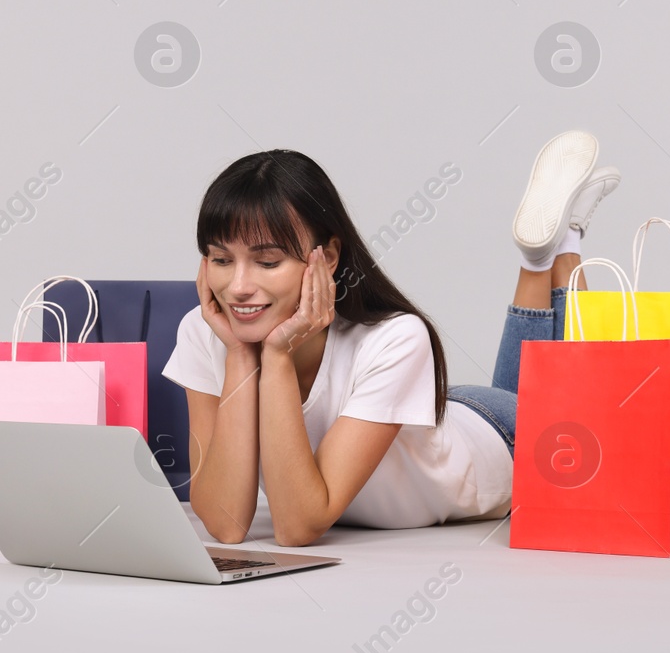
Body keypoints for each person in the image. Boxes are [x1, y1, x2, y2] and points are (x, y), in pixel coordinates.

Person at [161, 131, 621, 546]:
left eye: (267, 262)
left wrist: (276, 357)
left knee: (566, 405)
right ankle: (556, 249)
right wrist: (242, 356)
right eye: (221, 260)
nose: (238, 286)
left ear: (328, 256)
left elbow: (300, 524)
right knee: (526, 384)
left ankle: (555, 256)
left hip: (501, 436)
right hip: (424, 412)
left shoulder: (396, 337)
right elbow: (224, 523)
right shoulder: (206, 334)